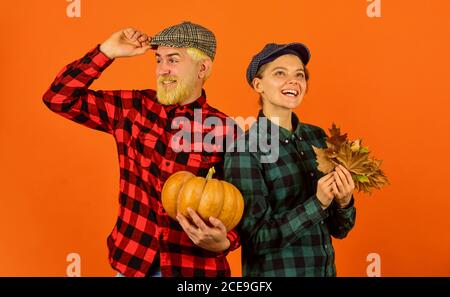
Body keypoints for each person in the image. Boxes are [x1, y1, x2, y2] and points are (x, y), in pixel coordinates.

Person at [43, 21, 240, 277]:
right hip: (132, 264)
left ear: (202, 68)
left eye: (173, 60)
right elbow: (58, 98)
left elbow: (241, 204)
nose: (162, 70)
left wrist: (225, 242)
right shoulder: (133, 108)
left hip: (195, 271)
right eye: (158, 60)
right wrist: (107, 52)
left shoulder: (226, 130)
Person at [224, 43, 356, 276]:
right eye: (279, 73)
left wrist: (344, 202)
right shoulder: (245, 149)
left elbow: (340, 229)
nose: (293, 81)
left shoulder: (318, 137)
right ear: (258, 84)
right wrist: (318, 204)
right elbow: (256, 239)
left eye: (300, 75)